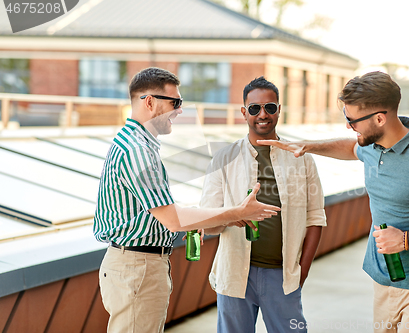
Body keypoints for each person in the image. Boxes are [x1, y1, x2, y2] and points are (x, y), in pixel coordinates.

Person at [258, 71, 409, 333]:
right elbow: (351, 148)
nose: (348, 126)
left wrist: (405, 240)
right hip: (382, 281)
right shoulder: (372, 143)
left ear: (380, 118)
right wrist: (309, 146)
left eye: (352, 120)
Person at [93, 68, 280, 333]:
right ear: (149, 101)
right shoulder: (138, 152)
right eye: (175, 102)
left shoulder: (136, 145)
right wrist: (236, 211)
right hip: (137, 268)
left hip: (136, 267)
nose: (180, 110)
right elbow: (174, 220)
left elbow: (166, 214)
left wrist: (222, 216)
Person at [201, 76, 327, 333]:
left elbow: (316, 217)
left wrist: (301, 272)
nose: (262, 114)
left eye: (270, 107)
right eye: (254, 108)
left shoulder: (301, 158)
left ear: (279, 110)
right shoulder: (223, 158)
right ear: (244, 112)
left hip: (283, 276)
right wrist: (231, 215)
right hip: (234, 274)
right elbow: (207, 220)